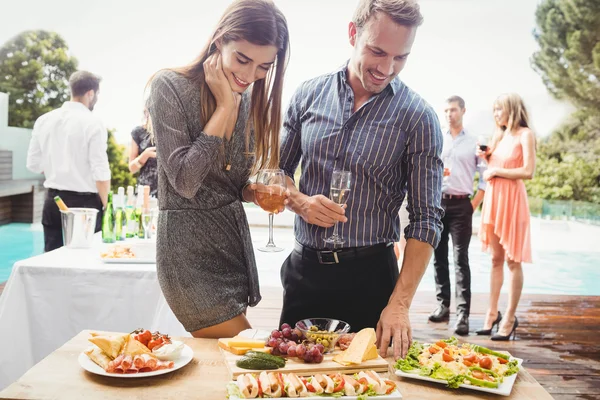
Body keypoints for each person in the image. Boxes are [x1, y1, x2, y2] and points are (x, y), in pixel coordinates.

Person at [279, 0, 443, 359]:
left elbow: (427, 220)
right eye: (377, 51)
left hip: (372, 282)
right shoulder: (307, 95)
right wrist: (300, 202)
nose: (387, 68)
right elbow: (277, 172)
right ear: (353, 34)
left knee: (368, 389)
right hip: (303, 275)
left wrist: (399, 305)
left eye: (401, 57)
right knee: (290, 383)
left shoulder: (419, 117)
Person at [146, 0, 289, 338]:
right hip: (187, 258)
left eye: (263, 67)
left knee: (226, 375)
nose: (250, 75)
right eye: (242, 59)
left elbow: (233, 183)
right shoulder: (169, 87)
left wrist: (255, 191)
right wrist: (225, 107)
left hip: (231, 251)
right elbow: (184, 181)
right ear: (219, 40)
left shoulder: (250, 102)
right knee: (252, 359)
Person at [26, 71, 110, 252]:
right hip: (85, 206)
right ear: (90, 93)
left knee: (51, 259)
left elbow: (33, 164)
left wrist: (56, 165)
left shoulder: (44, 120)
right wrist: (108, 205)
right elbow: (100, 172)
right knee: (86, 260)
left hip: (53, 201)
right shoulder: (93, 123)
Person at [476, 93, 535, 340]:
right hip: (494, 200)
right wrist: (488, 158)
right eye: (494, 110)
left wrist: (497, 169)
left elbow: (528, 171)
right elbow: (492, 169)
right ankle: (491, 315)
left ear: (511, 109)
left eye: (499, 109)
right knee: (495, 260)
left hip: (512, 201)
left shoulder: (525, 135)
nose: (496, 114)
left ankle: (509, 318)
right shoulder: (499, 137)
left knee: (513, 261)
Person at [428, 95, 486, 336]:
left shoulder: (475, 142)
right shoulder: (437, 138)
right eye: (446, 111)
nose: (449, 114)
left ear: (463, 110)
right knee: (438, 257)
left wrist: (473, 205)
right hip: (438, 203)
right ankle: (444, 307)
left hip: (463, 205)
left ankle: (463, 315)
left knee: (460, 259)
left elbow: (485, 178)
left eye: (453, 110)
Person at [129, 109, 158, 197]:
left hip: (167, 194)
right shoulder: (138, 132)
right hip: (145, 193)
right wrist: (145, 155)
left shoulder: (170, 132)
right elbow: (132, 168)